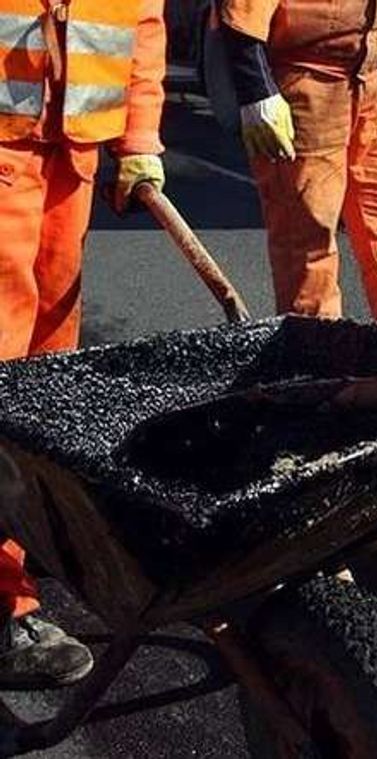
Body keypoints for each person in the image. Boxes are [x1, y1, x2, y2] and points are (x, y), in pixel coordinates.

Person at [0, 0, 167, 685]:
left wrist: (141, 140)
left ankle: (30, 534)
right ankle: (7, 604)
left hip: (74, 156)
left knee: (46, 381)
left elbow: (143, 24)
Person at [217, 0, 377, 325]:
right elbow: (242, 10)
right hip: (305, 80)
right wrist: (257, 92)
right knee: (307, 234)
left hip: (367, 77)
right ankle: (316, 358)